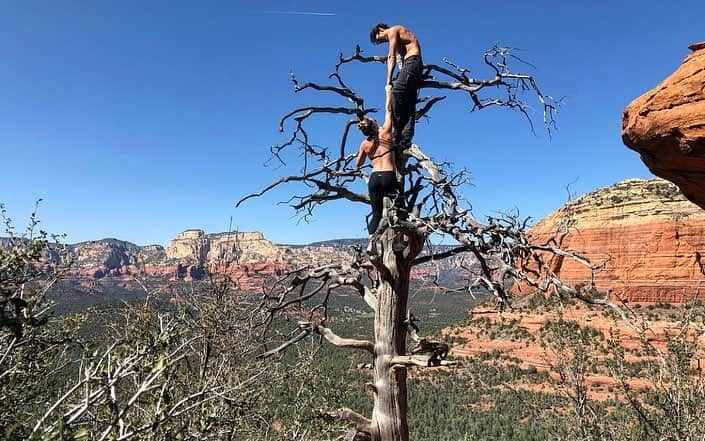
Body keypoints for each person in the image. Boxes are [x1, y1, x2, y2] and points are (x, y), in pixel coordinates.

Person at [356, 84, 401, 255]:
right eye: (375, 121)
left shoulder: (365, 144)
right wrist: (388, 92)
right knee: (397, 209)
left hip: (374, 178)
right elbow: (389, 111)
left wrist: (367, 154)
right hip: (389, 176)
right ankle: (396, 241)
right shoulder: (386, 134)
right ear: (374, 126)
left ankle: (372, 243)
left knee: (376, 213)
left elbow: (358, 164)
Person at [370, 23, 423, 158]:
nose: (382, 42)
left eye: (380, 39)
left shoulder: (394, 30)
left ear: (381, 29)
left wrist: (388, 80)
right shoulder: (401, 34)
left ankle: (397, 133)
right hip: (413, 64)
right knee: (409, 102)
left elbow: (391, 56)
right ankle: (404, 141)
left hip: (412, 62)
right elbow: (399, 57)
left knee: (396, 92)